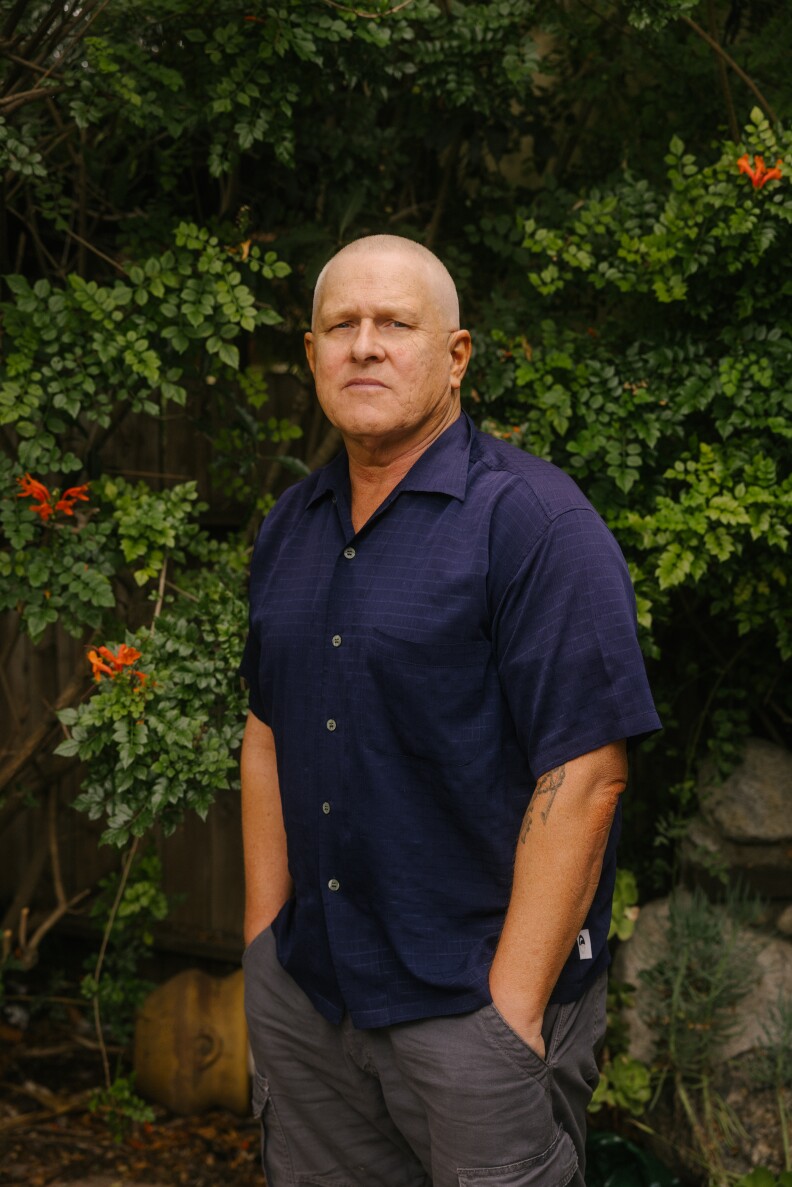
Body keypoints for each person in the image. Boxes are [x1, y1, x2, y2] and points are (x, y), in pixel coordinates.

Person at [239, 234, 661, 1187]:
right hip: (313, 1006)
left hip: (471, 1012)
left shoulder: (534, 525)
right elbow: (265, 732)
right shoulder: (291, 531)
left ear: (457, 354)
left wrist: (509, 1010)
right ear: (310, 356)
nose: (365, 345)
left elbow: (588, 773)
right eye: (341, 325)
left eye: (395, 323)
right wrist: (265, 948)